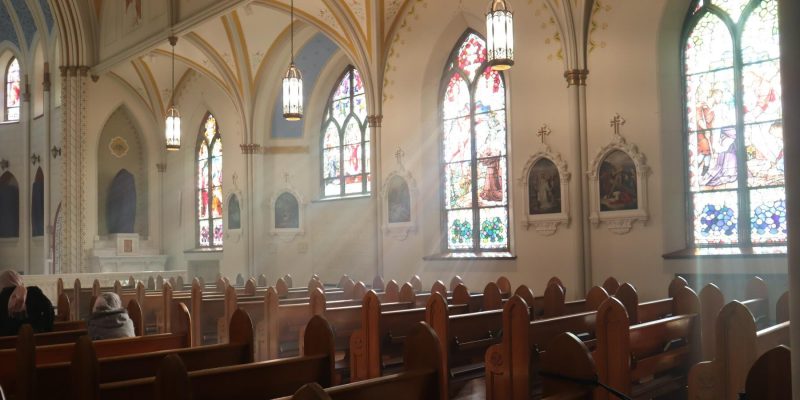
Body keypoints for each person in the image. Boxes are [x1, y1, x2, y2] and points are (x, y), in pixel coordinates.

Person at [0, 270, 54, 336]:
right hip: (36, 339)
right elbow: (49, 308)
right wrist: (45, 331)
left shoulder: (1, 297)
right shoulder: (34, 292)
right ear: (18, 279)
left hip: (7, 343)